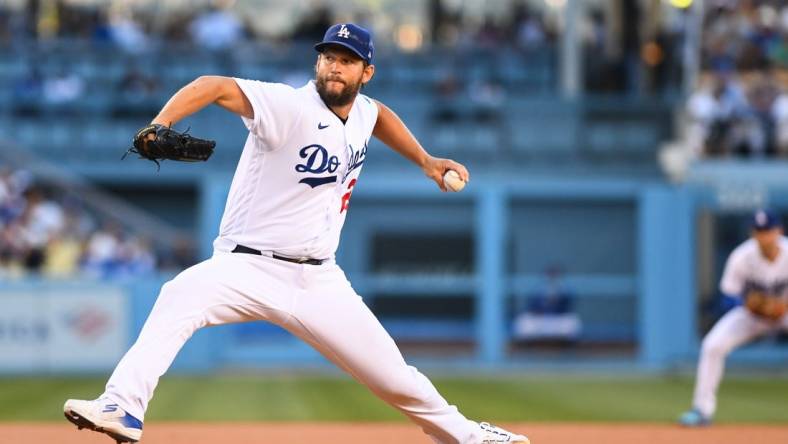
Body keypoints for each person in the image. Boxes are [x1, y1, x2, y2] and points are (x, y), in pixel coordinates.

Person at [62, 23, 529, 444]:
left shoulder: (363, 112)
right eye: (328, 56)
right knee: (178, 295)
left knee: (394, 378)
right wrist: (160, 124)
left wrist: (426, 161)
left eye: (346, 60)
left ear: (367, 72)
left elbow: (379, 115)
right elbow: (212, 86)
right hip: (246, 265)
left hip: (319, 281)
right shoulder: (288, 105)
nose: (334, 66)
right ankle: (122, 406)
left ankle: (468, 437)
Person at [679, 209, 788, 427]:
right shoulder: (741, 256)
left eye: (767, 230)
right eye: (758, 231)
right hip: (752, 316)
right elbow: (727, 297)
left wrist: (780, 306)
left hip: (784, 312)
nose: (763, 236)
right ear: (752, 234)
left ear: (778, 231)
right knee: (712, 345)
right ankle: (701, 410)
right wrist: (748, 304)